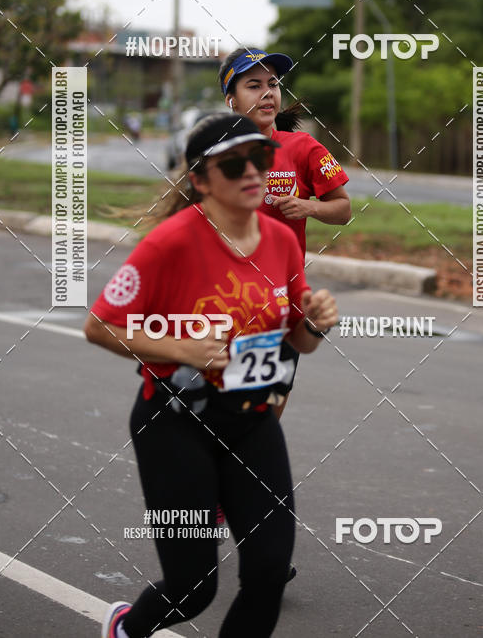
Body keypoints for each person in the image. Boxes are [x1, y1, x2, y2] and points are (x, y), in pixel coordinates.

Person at [85, 112, 338, 638]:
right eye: (234, 165)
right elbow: (99, 326)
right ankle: (128, 628)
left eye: (261, 159)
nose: (253, 172)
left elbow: (298, 341)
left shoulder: (281, 241)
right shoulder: (171, 243)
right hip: (175, 423)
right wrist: (182, 348)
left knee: (268, 572)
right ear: (200, 179)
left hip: (252, 418)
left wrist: (314, 323)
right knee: (194, 586)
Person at [218, 47, 351, 418]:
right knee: (218, 409)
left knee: (268, 412)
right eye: (254, 85)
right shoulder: (216, 153)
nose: (267, 92)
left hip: (283, 300)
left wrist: (308, 206)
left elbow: (343, 210)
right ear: (232, 100)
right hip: (223, 297)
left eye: (273, 84)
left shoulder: (304, 147)